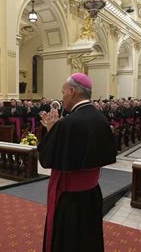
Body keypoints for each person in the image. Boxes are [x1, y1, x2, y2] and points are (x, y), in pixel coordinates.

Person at [38, 73, 116, 252]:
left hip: (70, 201)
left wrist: (51, 130)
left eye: (63, 92)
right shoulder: (101, 119)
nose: (62, 97)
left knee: (70, 241)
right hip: (92, 194)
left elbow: (46, 159)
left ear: (73, 92)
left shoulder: (68, 123)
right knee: (89, 237)